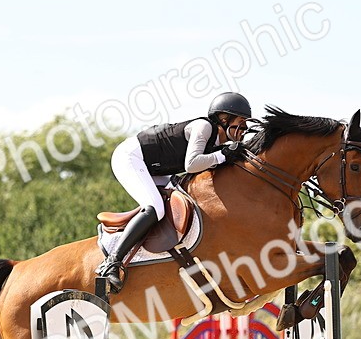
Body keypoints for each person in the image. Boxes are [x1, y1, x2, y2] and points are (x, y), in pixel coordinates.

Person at [95, 92, 251, 293]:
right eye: (241, 122)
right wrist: (223, 155)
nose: (244, 128)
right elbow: (192, 164)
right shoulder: (204, 127)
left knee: (185, 203)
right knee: (155, 208)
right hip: (131, 157)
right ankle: (112, 263)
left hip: (156, 168)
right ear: (223, 118)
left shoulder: (219, 142)